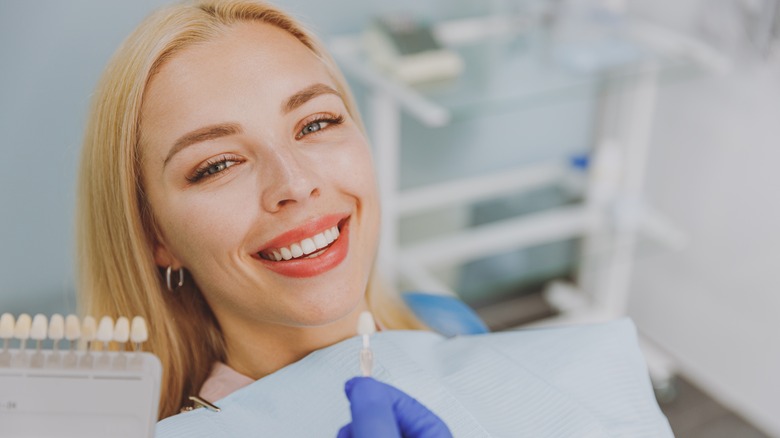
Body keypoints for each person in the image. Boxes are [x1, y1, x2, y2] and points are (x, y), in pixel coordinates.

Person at [77, 1, 672, 436]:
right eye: (217, 165)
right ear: (157, 238)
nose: (295, 184)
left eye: (316, 123)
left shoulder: (446, 321)